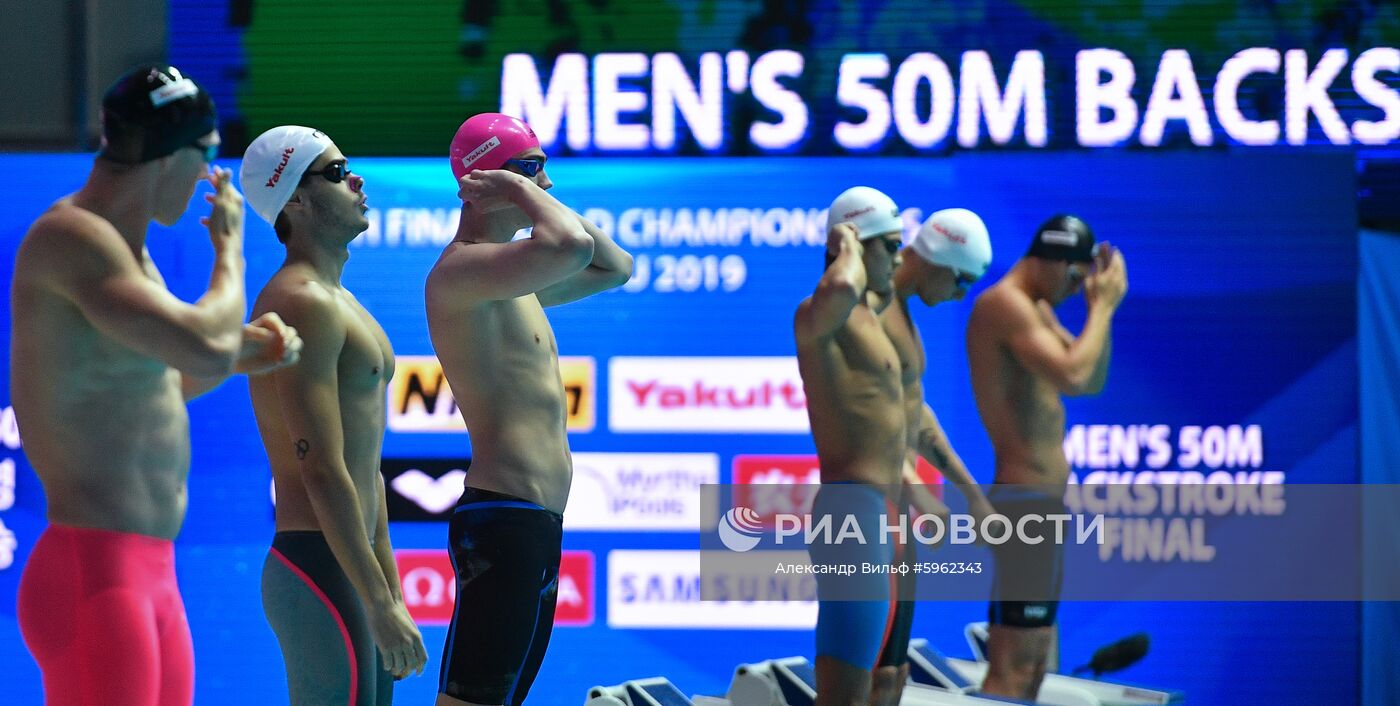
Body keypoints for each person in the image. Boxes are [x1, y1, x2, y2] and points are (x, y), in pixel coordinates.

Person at [10, 64, 300, 706]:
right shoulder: (73, 238)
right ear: (170, 154)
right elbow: (203, 340)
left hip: (150, 572)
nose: (207, 176)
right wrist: (230, 251)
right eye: (208, 155)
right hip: (96, 571)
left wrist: (243, 354)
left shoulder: (127, 255)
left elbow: (159, 381)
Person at [426, 113, 633, 706]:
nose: (546, 184)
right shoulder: (461, 273)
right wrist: (514, 186)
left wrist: (520, 180)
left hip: (535, 523)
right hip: (502, 520)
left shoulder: (513, 281)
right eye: (531, 168)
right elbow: (572, 245)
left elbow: (615, 266)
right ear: (485, 181)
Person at [241, 125, 428, 705]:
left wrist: (388, 590)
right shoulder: (301, 300)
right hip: (318, 563)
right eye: (337, 172)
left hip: (349, 561)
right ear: (293, 198)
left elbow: (364, 465)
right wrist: (378, 601)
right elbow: (320, 467)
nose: (358, 179)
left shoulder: (339, 299)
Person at [966, 214, 1128, 699]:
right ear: (1051, 260)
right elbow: (1074, 376)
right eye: (1075, 277)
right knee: (1013, 665)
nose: (1080, 289)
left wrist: (1103, 312)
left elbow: (1091, 379)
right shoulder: (1004, 305)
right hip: (1023, 505)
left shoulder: (1035, 309)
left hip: (1039, 506)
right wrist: (1102, 308)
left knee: (1034, 664)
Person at [875, 208, 999, 702]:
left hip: (893, 514)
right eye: (962, 279)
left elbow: (916, 419)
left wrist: (974, 496)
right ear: (938, 261)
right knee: (865, 677)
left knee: (892, 674)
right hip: (866, 513)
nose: (963, 292)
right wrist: (921, 494)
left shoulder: (901, 314)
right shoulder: (873, 310)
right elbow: (874, 423)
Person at [794, 186, 909, 706]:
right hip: (852, 512)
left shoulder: (871, 318)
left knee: (876, 690)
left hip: (882, 511)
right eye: (891, 245)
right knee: (843, 696)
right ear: (860, 245)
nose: (901, 257)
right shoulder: (821, 312)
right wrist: (847, 244)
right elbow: (841, 284)